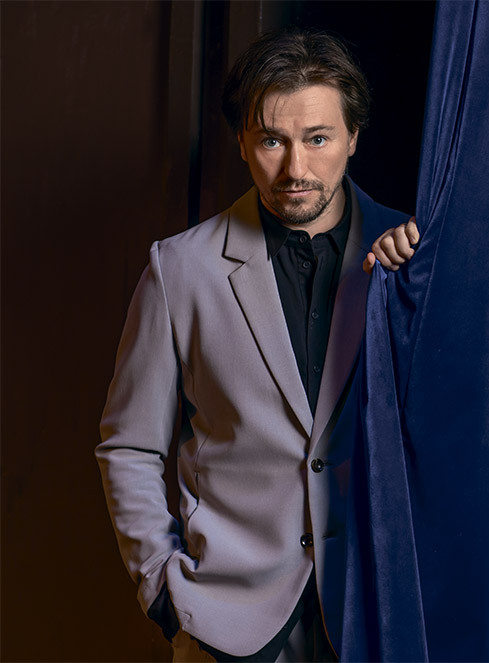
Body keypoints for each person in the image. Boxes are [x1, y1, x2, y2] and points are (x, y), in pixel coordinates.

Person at [97, 29, 417, 662]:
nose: (295, 169)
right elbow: (129, 445)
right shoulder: (179, 270)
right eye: (273, 140)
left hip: (379, 618)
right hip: (227, 628)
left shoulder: (413, 260)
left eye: (318, 139)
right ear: (243, 142)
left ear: (354, 137)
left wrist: (417, 284)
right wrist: (163, 587)